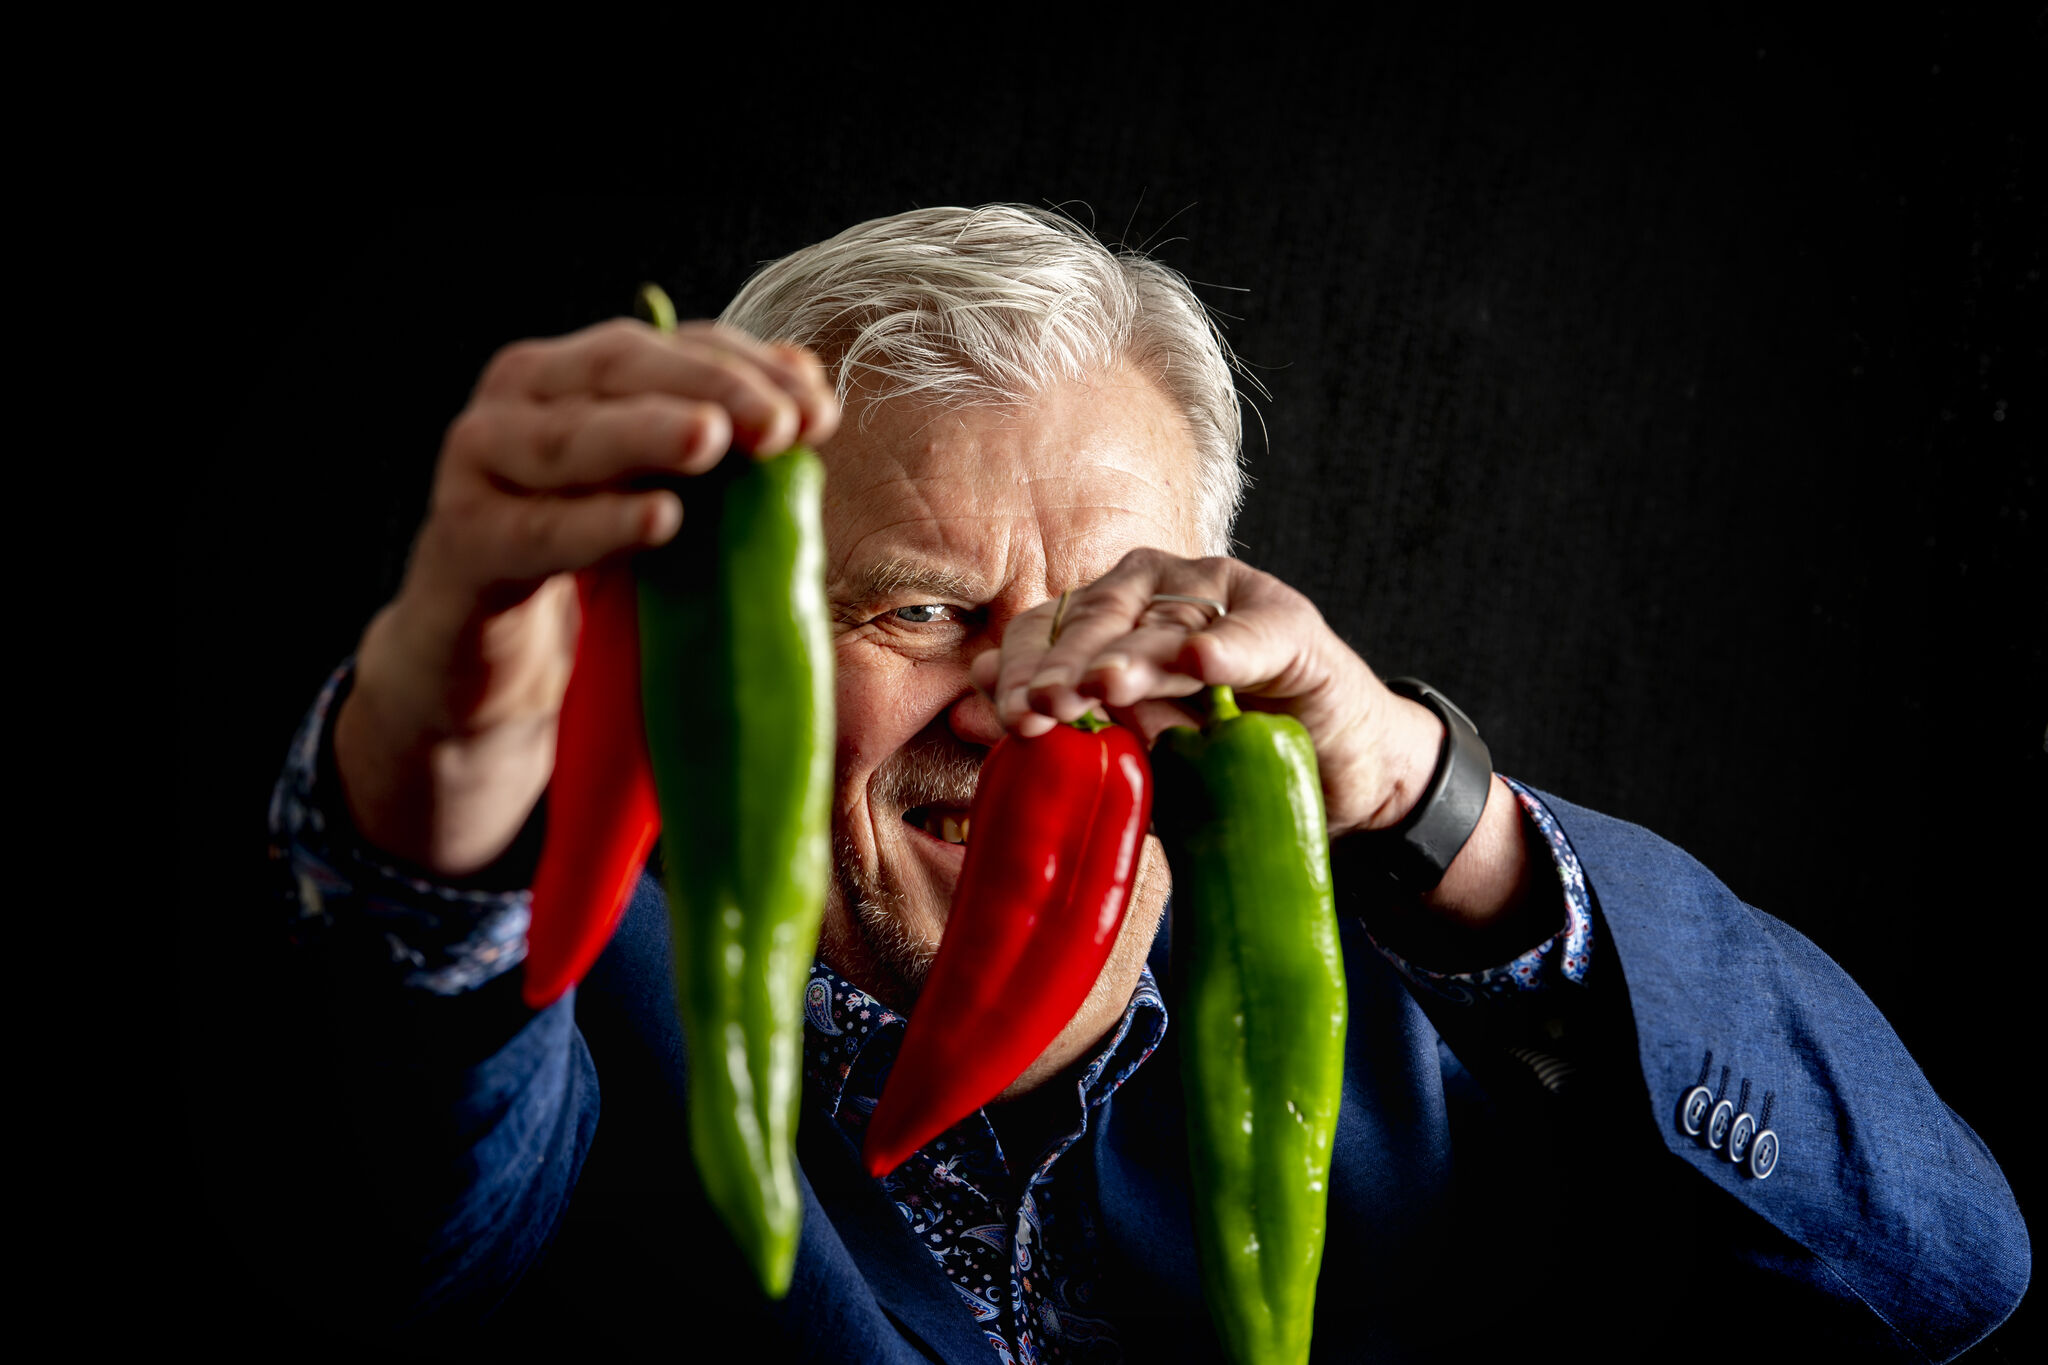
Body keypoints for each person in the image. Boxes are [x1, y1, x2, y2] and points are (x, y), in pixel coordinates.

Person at [267, 204, 2027, 1361]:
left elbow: (1947, 1275)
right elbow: (399, 1193)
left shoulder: (1439, 1036)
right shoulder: (607, 1027)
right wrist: (445, 741)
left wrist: (1437, 808)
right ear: (754, 654)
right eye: (926, 607)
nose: (1028, 705)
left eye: (1119, 615)